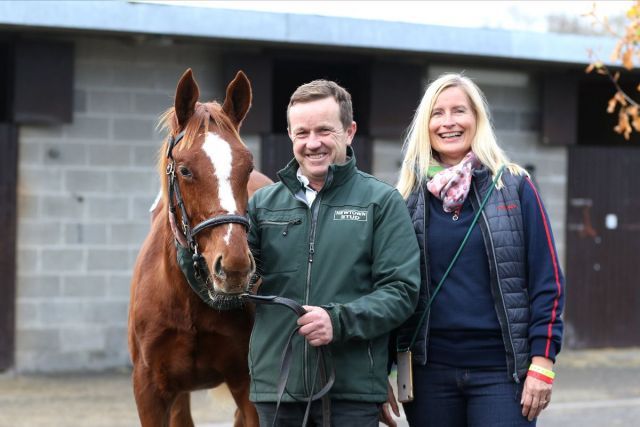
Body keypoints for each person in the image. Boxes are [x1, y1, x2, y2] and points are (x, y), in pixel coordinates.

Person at [393, 73, 565, 426]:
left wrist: (543, 362)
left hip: (502, 374)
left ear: (477, 119)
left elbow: (548, 282)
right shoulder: (407, 197)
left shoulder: (515, 187)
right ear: (425, 124)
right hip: (430, 374)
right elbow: (390, 288)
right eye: (437, 113)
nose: (449, 122)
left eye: (459, 110)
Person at [247, 79, 420, 426]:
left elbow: (402, 291)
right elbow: (228, 289)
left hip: (351, 393)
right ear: (290, 135)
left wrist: (337, 321)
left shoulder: (381, 202)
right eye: (302, 132)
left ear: (349, 131)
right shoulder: (262, 205)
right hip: (276, 391)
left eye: (325, 130)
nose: (313, 143)